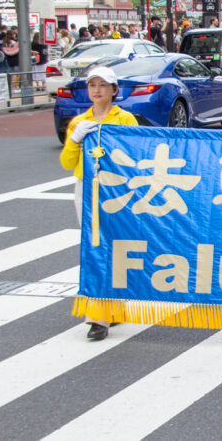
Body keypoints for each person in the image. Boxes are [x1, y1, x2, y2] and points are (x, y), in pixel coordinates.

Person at [59, 66, 138, 341]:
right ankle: (97, 316)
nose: (96, 90)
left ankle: (111, 310)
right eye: (92, 85)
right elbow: (67, 162)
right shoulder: (78, 121)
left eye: (103, 85)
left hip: (116, 191)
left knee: (114, 248)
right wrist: (75, 139)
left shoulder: (125, 119)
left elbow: (137, 156)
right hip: (87, 189)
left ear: (115, 90)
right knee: (94, 247)